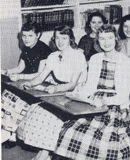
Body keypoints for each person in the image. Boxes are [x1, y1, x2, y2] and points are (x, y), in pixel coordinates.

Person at [54, 24, 130, 160]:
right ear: (97, 41)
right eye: (102, 39)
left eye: (110, 38)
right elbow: (90, 87)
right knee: (68, 131)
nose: (106, 42)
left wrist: (104, 101)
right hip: (93, 102)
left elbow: (123, 95)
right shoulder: (95, 59)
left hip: (116, 106)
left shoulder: (126, 62)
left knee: (103, 140)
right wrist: (77, 96)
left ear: (116, 39)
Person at [16, 25, 87, 160]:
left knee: (50, 118)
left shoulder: (78, 56)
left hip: (76, 94)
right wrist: (30, 83)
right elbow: (41, 76)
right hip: (60, 93)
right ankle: (45, 153)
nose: (60, 41)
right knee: (35, 112)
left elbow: (72, 85)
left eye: (64, 38)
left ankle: (45, 154)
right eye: (57, 38)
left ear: (71, 39)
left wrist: (56, 89)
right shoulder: (53, 56)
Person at [1, 21, 51, 146]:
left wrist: (19, 77)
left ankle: (11, 135)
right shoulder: (26, 48)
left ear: (38, 35)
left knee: (16, 99)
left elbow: (40, 74)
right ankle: (8, 132)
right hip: (25, 79)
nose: (26, 39)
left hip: (40, 83)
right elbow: (20, 67)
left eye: (30, 36)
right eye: (24, 36)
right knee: (5, 94)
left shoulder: (44, 49)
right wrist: (7, 71)